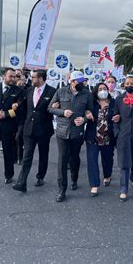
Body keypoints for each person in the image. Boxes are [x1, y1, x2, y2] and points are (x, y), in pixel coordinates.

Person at [48, 71, 93, 202]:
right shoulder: (61, 91)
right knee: (62, 159)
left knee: (74, 158)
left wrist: (84, 119)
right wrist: (62, 112)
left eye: (82, 81)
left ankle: (74, 178)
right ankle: (61, 190)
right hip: (62, 131)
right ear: (71, 81)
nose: (81, 83)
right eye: (78, 81)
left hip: (77, 132)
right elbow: (50, 108)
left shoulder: (87, 94)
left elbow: (90, 112)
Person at [13, 69, 56, 192]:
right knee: (27, 156)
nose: (31, 79)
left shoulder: (52, 92)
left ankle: (40, 176)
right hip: (29, 129)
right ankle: (22, 182)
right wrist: (17, 106)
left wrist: (56, 106)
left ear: (41, 79)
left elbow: (56, 107)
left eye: (33, 77)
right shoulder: (29, 90)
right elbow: (24, 106)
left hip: (44, 130)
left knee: (43, 155)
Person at [84, 82, 115, 197]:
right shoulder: (91, 103)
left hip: (108, 137)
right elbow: (83, 109)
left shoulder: (114, 103)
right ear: (96, 92)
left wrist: (118, 117)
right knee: (92, 161)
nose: (102, 90)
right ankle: (94, 185)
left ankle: (107, 175)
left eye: (104, 88)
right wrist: (86, 112)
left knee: (107, 160)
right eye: (100, 89)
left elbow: (119, 114)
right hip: (92, 137)